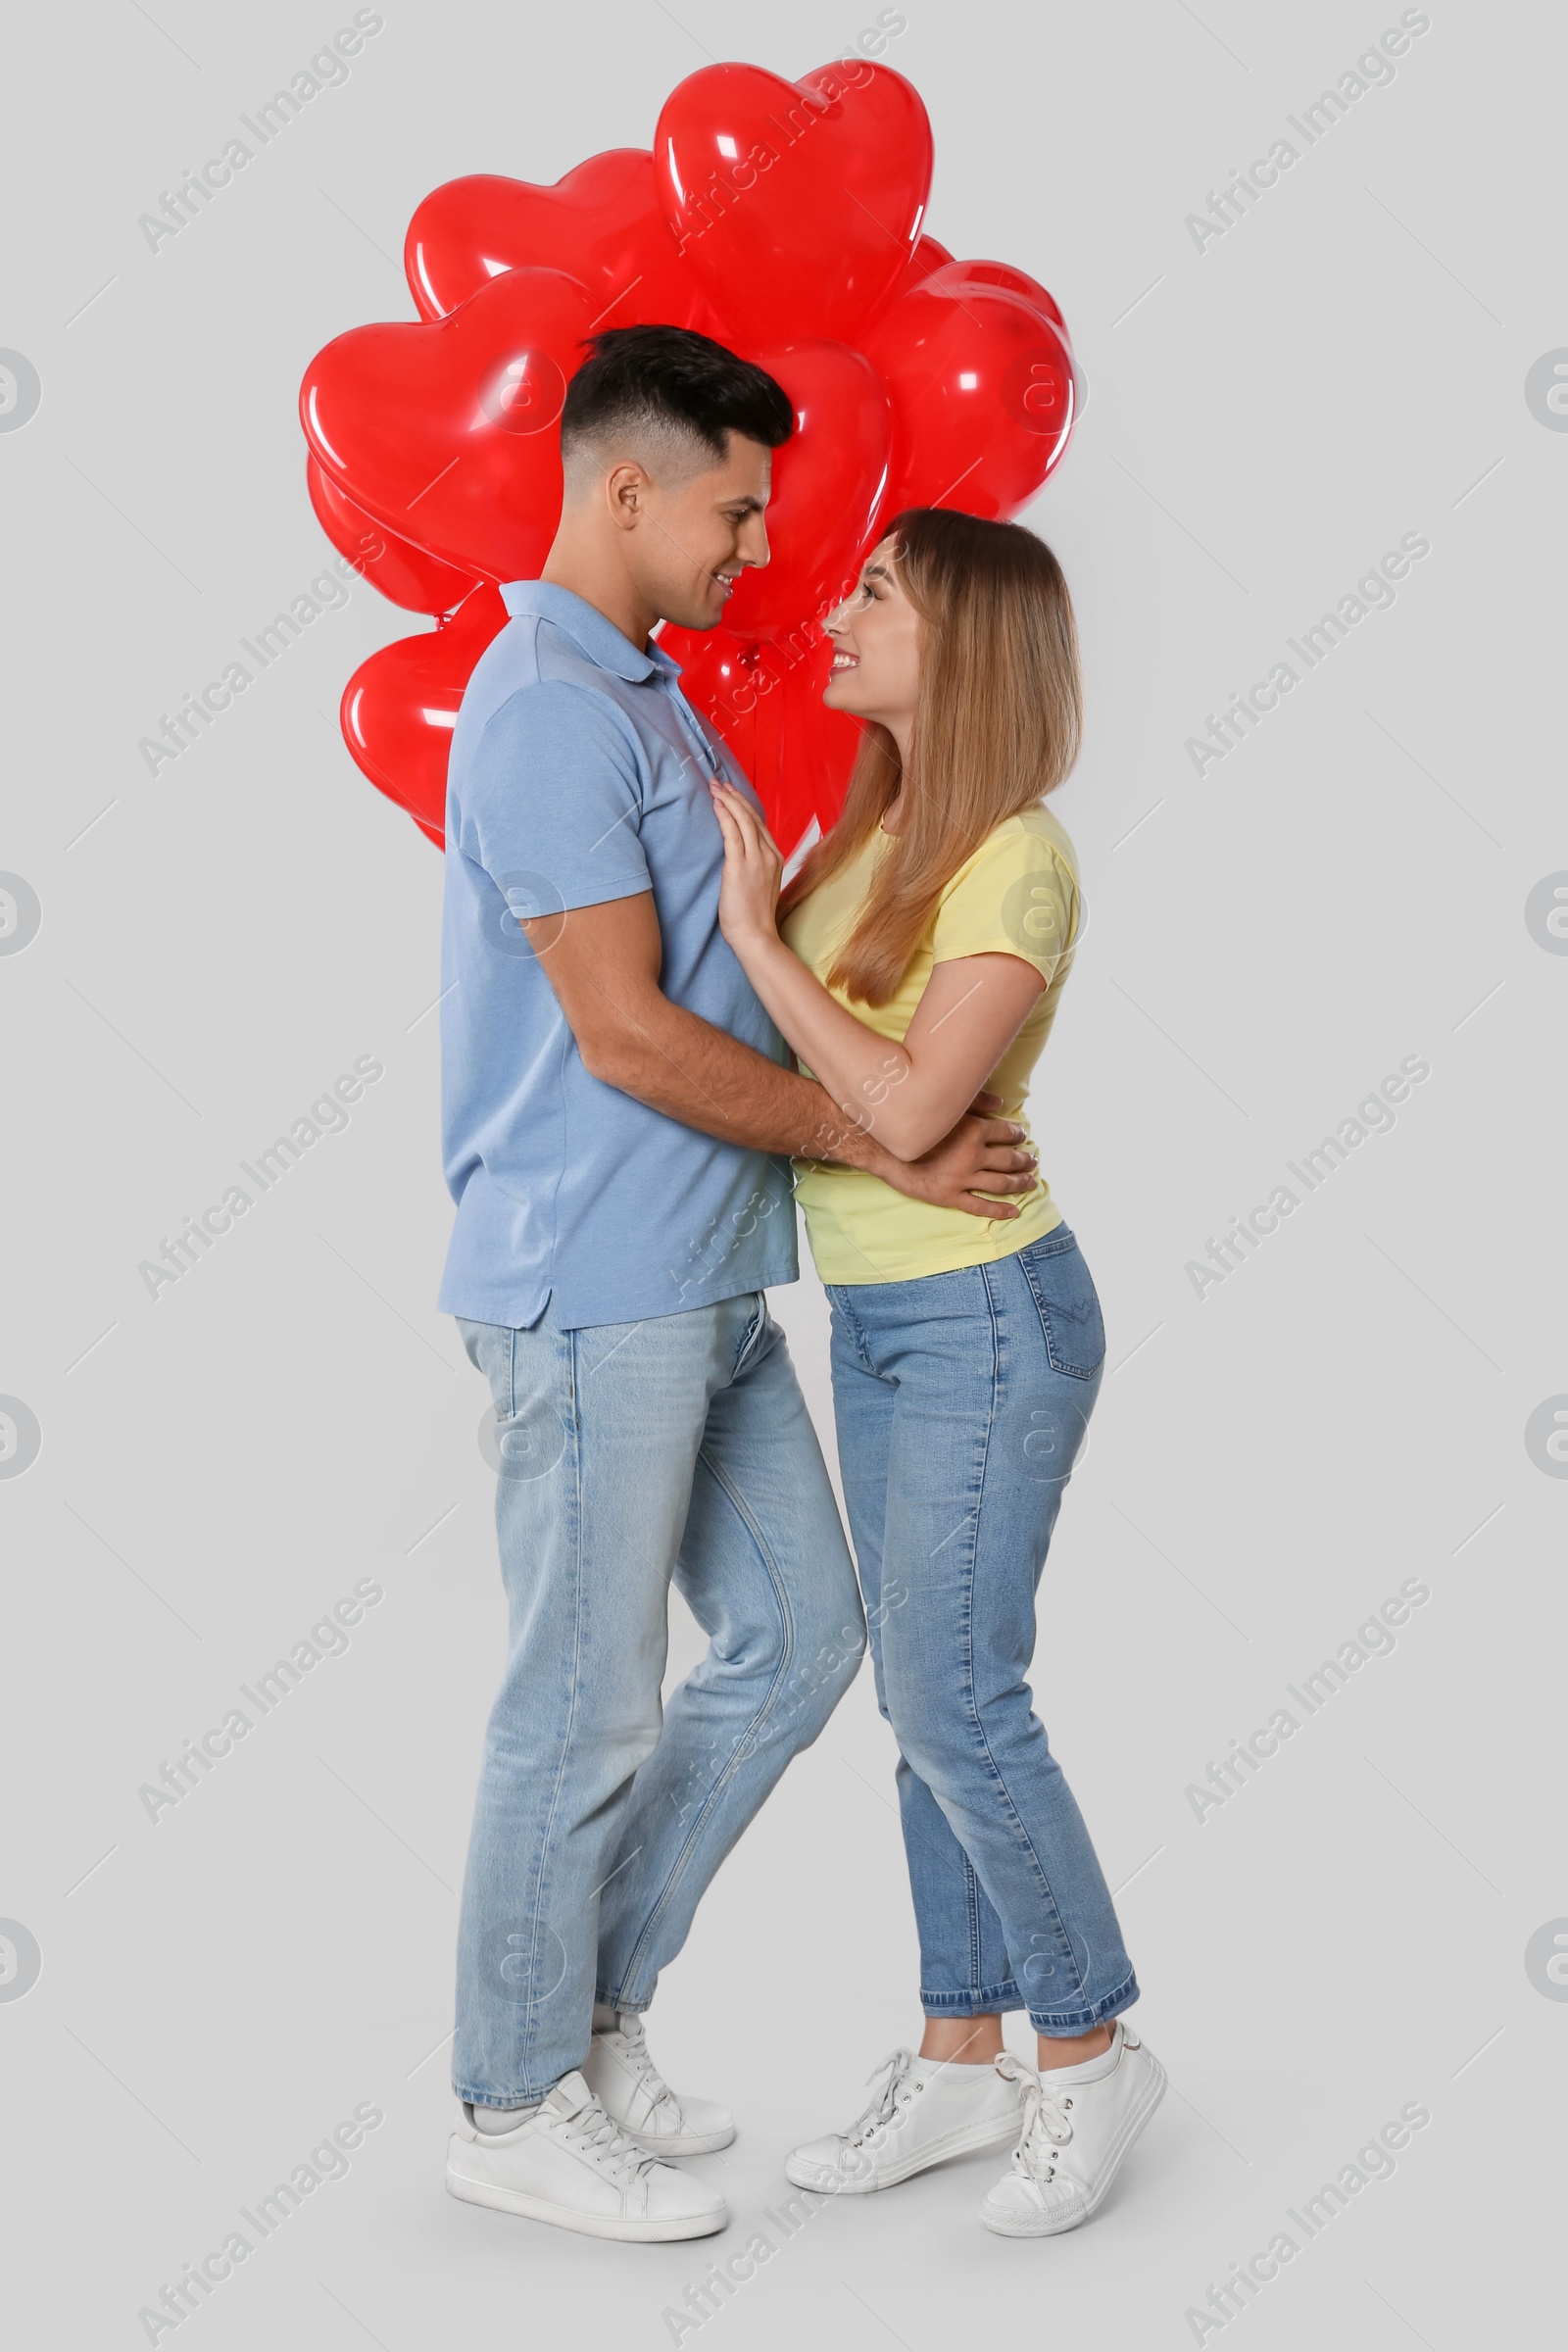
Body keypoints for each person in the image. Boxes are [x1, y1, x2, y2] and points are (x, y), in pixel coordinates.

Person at [436, 328, 1042, 2243]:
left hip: (705, 1280)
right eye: (730, 505)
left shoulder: (651, 698)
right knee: (584, 1704)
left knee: (792, 1640)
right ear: (622, 489)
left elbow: (737, 961)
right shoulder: (544, 706)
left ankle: (584, 2009)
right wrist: (878, 1140)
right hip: (592, 1293)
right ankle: (508, 2093)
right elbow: (620, 1035)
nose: (755, 543)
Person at [708, 506, 1166, 2238]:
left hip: (991, 1316)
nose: (837, 604)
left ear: (961, 643)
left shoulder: (1015, 860)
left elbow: (904, 1105)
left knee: (958, 1702)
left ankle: (1090, 2043)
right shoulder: (872, 832)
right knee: (926, 1700)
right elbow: (877, 1115)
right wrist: (884, 1130)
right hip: (888, 1316)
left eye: (876, 592)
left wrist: (763, 947)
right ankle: (960, 2051)